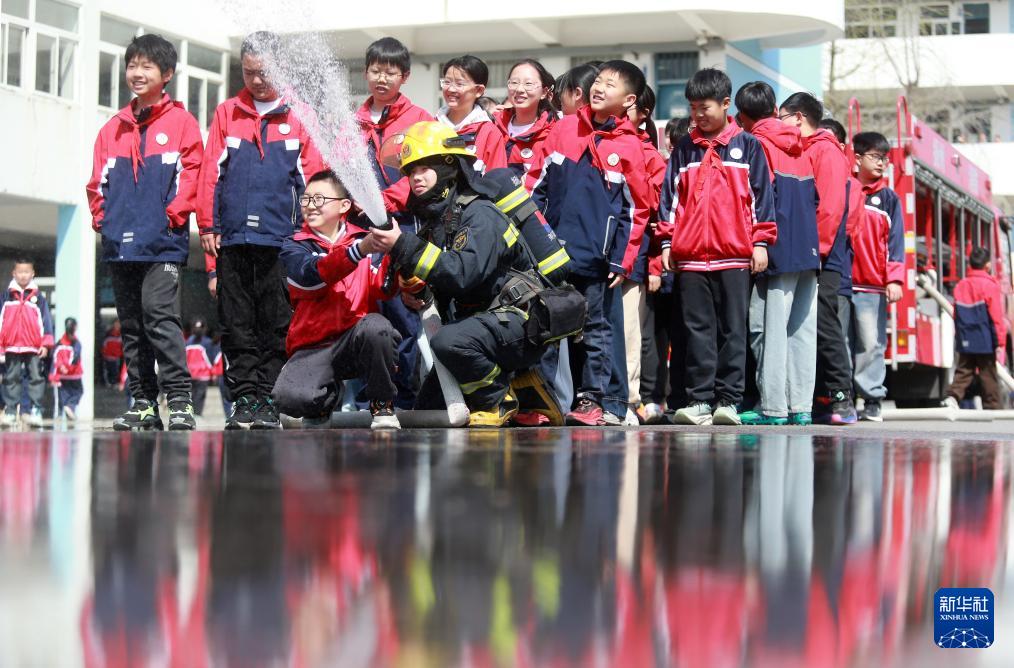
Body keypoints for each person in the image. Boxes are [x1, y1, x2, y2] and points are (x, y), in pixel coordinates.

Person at [369, 121, 555, 427]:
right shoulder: (441, 220)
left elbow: (462, 274)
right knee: (426, 408)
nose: (415, 177)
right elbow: (443, 281)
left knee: (448, 343)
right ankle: (526, 389)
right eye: (410, 171)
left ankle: (496, 400)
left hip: (522, 322)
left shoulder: (479, 213)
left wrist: (405, 245)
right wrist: (418, 291)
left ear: (449, 166)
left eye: (424, 167)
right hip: (481, 327)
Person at [197, 31, 324, 430]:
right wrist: (207, 226)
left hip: (280, 243)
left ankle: (269, 397)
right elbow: (209, 175)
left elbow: (314, 184)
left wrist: (308, 238)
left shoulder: (300, 115)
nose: (256, 81)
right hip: (232, 240)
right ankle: (245, 399)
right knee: (236, 325)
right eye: (249, 72)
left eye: (264, 73)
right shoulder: (227, 113)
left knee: (275, 324)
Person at [86, 34, 202, 431]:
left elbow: (193, 175)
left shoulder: (182, 123)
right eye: (132, 65)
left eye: (146, 66)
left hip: (163, 244)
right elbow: (96, 184)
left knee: (159, 318)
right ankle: (142, 402)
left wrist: (173, 215)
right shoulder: (112, 128)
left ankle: (181, 401)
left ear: (166, 74)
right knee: (131, 324)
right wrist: (105, 220)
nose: (136, 73)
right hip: (120, 244)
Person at [526, 60, 652, 425]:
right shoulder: (563, 129)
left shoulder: (630, 146)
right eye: (598, 81)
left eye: (610, 85)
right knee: (544, 325)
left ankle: (591, 399)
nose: (599, 88)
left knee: (595, 330)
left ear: (628, 100)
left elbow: (636, 210)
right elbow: (535, 185)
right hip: (550, 254)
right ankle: (543, 399)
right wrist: (534, 238)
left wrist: (621, 260)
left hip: (596, 260)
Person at [658, 68, 777, 426]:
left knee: (732, 330)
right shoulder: (684, 149)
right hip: (691, 257)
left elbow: (762, 198)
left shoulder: (749, 147)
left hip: (735, 255)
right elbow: (670, 199)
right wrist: (667, 241)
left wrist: (760, 242)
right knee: (696, 331)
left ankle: (729, 400)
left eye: (704, 107)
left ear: (726, 104)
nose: (697, 114)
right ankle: (698, 400)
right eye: (692, 107)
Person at [273, 171, 401, 429]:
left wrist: (397, 253)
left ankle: (382, 404)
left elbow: (383, 290)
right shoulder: (295, 245)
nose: (310, 206)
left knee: (378, 329)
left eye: (318, 199)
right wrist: (358, 251)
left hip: (355, 340)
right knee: (288, 399)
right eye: (306, 199)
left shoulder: (364, 240)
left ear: (344, 205)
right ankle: (323, 400)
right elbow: (312, 277)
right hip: (314, 345)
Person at [735, 81, 820, 426]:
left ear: (741, 117)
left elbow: (755, 197)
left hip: (775, 247)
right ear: (773, 110)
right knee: (801, 330)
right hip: (808, 248)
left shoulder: (754, 143)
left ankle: (772, 406)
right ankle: (801, 405)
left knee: (766, 326)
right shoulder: (800, 144)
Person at [356, 36, 433, 410]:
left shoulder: (420, 119)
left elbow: (425, 173)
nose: (381, 79)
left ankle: (402, 395)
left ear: (405, 76)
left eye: (390, 72)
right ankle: (365, 394)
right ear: (365, 72)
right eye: (375, 71)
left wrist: (383, 202)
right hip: (360, 230)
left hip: (403, 226)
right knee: (363, 311)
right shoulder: (352, 121)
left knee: (404, 313)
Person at [780, 92, 859, 424]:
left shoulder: (825, 151)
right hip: (810, 254)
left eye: (782, 117)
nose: (779, 124)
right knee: (809, 326)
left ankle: (842, 397)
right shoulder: (808, 150)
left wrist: (818, 252)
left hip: (822, 257)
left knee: (825, 325)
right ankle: (821, 397)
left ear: (798, 118)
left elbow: (828, 208)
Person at [850, 131, 905, 421]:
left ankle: (871, 398)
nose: (882, 162)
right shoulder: (844, 188)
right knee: (841, 343)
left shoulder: (889, 199)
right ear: (857, 158)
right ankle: (842, 397)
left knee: (871, 344)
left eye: (885, 158)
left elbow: (896, 242)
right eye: (876, 157)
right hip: (841, 282)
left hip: (872, 285)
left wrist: (894, 278)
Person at [641, 117, 690, 422]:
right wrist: (656, 267)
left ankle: (676, 396)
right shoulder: (665, 167)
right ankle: (657, 397)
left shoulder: (676, 168)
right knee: (659, 336)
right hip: (666, 266)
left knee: (679, 335)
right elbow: (658, 225)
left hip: (685, 266)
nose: (671, 145)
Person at [623, 85, 666, 423]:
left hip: (635, 258)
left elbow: (657, 217)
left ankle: (633, 399)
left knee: (634, 333)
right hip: (598, 256)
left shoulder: (650, 156)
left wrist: (654, 264)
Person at [944, 247, 1007, 410]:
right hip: (984, 337)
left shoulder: (961, 285)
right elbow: (996, 316)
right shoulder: (990, 285)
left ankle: (952, 397)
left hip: (966, 336)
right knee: (988, 373)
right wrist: (1000, 340)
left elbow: (957, 313)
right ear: (987, 266)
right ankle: (992, 406)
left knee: (964, 370)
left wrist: (959, 334)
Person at [0, 258, 54, 428]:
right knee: (11, 377)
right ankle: (10, 410)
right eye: (20, 272)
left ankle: (35, 410)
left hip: (33, 345)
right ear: (14, 274)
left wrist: (45, 343)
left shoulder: (39, 298)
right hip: (12, 345)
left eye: (26, 272)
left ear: (32, 274)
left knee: (36, 377)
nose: (23, 276)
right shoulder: (6, 296)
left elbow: (46, 321)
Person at [436, 55, 508, 173]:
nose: (451, 89)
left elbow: (497, 180)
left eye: (459, 84)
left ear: (479, 90)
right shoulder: (431, 126)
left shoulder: (489, 132)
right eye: (447, 82)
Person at [494, 59, 556, 176]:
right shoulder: (494, 126)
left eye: (528, 84)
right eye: (514, 83)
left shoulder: (553, 133)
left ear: (544, 92)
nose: (519, 89)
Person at [50, 317, 84, 421]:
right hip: (74, 374)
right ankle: (70, 407)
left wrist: (57, 371)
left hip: (62, 374)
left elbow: (54, 358)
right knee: (78, 391)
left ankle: (60, 414)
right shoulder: (76, 343)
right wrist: (68, 368)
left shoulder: (59, 344)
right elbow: (75, 357)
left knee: (62, 395)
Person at [185, 318, 216, 416]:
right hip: (202, 374)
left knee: (194, 395)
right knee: (199, 395)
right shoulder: (207, 342)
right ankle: (197, 414)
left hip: (192, 373)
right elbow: (211, 359)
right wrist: (213, 372)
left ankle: (193, 413)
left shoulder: (188, 341)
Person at [100, 320, 122, 386]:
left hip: (117, 357)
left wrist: (120, 354)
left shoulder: (121, 334)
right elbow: (104, 345)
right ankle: (108, 383)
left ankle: (115, 382)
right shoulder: (108, 334)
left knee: (116, 371)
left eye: (118, 324)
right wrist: (104, 354)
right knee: (108, 370)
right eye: (116, 324)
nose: (117, 326)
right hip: (108, 357)